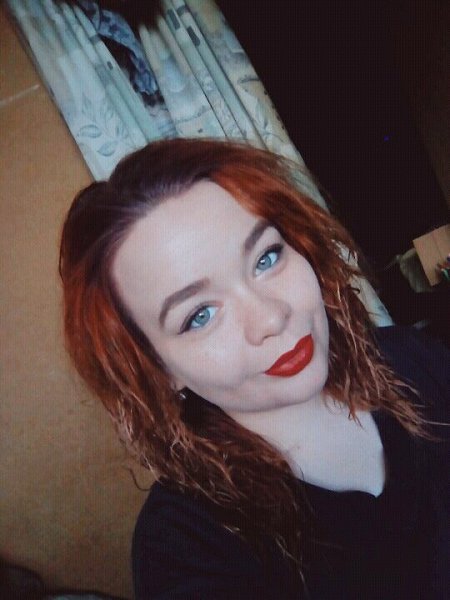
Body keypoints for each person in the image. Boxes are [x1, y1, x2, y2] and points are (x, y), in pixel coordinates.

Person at [59, 138, 449, 599]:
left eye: (266, 258)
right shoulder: (187, 547)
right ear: (158, 369)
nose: (271, 318)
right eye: (199, 315)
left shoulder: (410, 357)